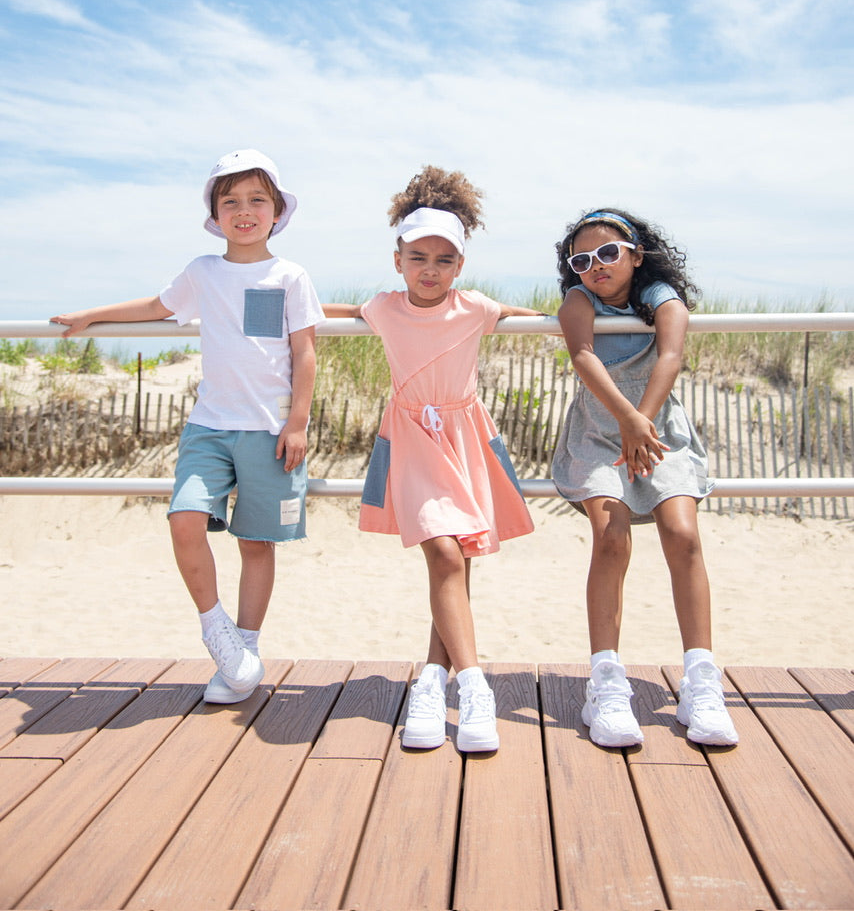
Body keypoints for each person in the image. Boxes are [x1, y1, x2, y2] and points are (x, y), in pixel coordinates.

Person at [51, 149, 324, 705]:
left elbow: (306, 353)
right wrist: (91, 316)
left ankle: (242, 653)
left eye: (256, 200)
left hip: (270, 431)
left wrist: (297, 424)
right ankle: (216, 631)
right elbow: (157, 305)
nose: (243, 211)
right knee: (183, 520)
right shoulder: (204, 271)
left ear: (277, 212)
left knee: (256, 543)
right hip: (209, 428)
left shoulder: (291, 275)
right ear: (215, 213)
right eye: (231, 202)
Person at [325, 166, 539, 753]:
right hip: (414, 439)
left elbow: (531, 321)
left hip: (464, 436)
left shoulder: (474, 308)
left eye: (444, 260)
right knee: (444, 551)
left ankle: (431, 678)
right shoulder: (384, 307)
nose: (430, 270)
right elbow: (338, 312)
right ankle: (475, 689)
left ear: (461, 266)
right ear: (398, 259)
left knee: (458, 560)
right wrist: (283, 307)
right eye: (418, 257)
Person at [551, 208, 738, 749]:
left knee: (682, 535)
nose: (596, 266)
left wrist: (645, 422)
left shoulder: (659, 296)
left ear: (635, 253)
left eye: (608, 253)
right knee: (612, 539)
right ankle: (606, 683)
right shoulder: (578, 301)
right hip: (600, 430)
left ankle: (701, 681)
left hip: (658, 430)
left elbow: (671, 354)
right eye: (581, 260)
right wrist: (626, 421)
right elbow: (583, 356)